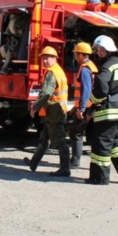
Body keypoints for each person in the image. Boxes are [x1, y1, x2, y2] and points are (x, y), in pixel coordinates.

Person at [85, 35, 118, 185]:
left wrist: (94, 102)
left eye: (97, 50)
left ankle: (99, 178)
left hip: (108, 111)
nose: (96, 53)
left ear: (103, 50)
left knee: (101, 143)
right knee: (114, 140)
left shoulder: (106, 67)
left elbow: (101, 88)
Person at [23, 46, 70, 177]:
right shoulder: (59, 70)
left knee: (60, 141)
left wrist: (34, 108)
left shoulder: (51, 73)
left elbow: (45, 94)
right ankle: (33, 164)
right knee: (44, 138)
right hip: (56, 112)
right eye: (43, 58)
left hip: (54, 113)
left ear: (55, 58)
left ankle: (65, 168)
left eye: (47, 58)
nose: (44, 61)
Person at [69, 42, 97, 169]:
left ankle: (74, 162)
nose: (74, 56)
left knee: (76, 133)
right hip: (91, 106)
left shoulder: (85, 69)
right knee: (91, 135)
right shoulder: (91, 66)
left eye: (75, 54)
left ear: (81, 55)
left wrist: (81, 108)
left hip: (86, 108)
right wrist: (76, 106)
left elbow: (86, 90)